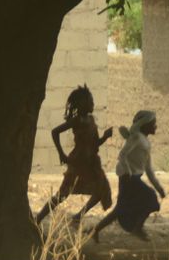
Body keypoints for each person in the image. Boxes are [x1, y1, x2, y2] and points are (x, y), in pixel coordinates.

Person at [35, 85, 113, 224]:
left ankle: (78, 217)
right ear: (82, 103)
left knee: (101, 190)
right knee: (62, 195)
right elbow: (55, 132)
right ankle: (38, 218)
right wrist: (61, 154)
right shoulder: (77, 121)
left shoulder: (91, 120)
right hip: (78, 162)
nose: (92, 103)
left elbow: (94, 144)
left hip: (91, 163)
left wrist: (105, 137)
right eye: (90, 100)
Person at [91, 110, 165, 243]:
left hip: (132, 177)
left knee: (120, 209)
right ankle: (137, 227)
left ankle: (95, 230)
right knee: (151, 198)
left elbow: (148, 169)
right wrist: (129, 172)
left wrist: (158, 187)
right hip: (128, 177)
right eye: (153, 124)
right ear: (145, 124)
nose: (155, 126)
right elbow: (122, 154)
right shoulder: (136, 138)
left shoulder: (146, 143)